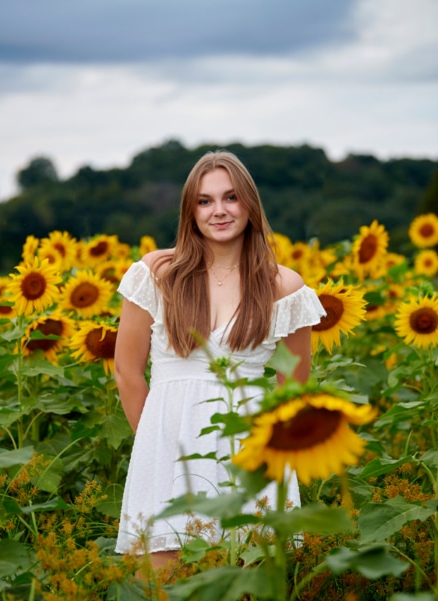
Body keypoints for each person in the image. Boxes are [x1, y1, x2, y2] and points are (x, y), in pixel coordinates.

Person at [114, 150, 326, 568]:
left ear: (250, 203)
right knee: (159, 594)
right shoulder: (158, 273)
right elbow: (126, 372)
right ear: (190, 211)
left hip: (249, 450)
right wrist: (156, 446)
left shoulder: (283, 286)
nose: (219, 211)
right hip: (165, 446)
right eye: (205, 201)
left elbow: (293, 389)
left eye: (231, 197)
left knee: (244, 593)